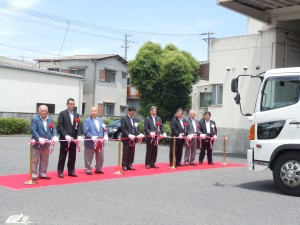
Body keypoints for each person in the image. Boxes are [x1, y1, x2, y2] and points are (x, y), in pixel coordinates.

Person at [30, 105, 58, 181]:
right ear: (39, 111)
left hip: (47, 143)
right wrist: (39, 138)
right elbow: (33, 129)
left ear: (47, 111)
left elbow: (53, 129)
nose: (43, 112)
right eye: (42, 110)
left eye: (45, 111)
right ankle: (33, 174)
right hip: (37, 143)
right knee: (35, 160)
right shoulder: (35, 119)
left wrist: (55, 136)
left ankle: (43, 173)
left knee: (45, 159)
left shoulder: (50, 120)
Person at [57, 98, 83, 178]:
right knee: (63, 156)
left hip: (74, 139)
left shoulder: (76, 114)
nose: (72, 105)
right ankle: (60, 171)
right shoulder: (62, 113)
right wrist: (65, 135)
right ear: (67, 104)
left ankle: (71, 171)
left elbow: (78, 126)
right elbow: (60, 125)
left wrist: (79, 135)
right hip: (65, 139)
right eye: (70, 104)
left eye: (73, 104)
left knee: (72, 156)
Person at [82, 107, 108, 175]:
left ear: (97, 112)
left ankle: (98, 168)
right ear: (90, 112)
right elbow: (85, 131)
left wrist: (105, 135)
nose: (93, 112)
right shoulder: (87, 120)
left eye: (95, 111)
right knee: (89, 156)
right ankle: (88, 169)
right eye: (92, 111)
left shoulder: (100, 120)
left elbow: (104, 129)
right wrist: (91, 137)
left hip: (100, 142)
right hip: (91, 142)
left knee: (100, 157)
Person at [121, 106, 144, 171]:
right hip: (127, 139)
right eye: (132, 112)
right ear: (129, 112)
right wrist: (128, 135)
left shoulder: (135, 119)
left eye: (134, 113)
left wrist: (139, 133)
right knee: (126, 152)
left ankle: (130, 164)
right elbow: (123, 129)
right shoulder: (124, 119)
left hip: (133, 138)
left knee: (132, 152)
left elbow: (137, 129)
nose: (133, 114)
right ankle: (124, 165)